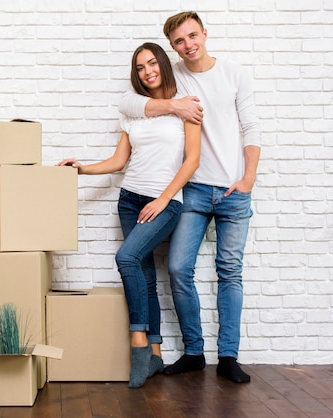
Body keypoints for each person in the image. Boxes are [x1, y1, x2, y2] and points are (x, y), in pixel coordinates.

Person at [118, 11, 261, 383]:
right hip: (193, 190)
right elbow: (131, 105)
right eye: (180, 41)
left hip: (233, 190)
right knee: (180, 269)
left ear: (204, 34)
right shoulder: (173, 74)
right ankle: (194, 351)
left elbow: (252, 126)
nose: (188, 45)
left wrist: (248, 178)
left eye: (193, 36)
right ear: (172, 47)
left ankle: (228, 355)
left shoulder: (234, 73)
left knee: (230, 272)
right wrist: (173, 105)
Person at [57, 42, 201, 388]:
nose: (148, 71)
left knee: (126, 258)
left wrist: (164, 200)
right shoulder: (135, 111)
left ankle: (137, 340)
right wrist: (82, 169)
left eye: (152, 63)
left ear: (163, 65)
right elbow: (119, 161)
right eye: (140, 67)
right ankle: (154, 355)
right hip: (129, 199)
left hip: (163, 201)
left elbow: (192, 160)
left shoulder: (187, 107)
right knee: (145, 274)